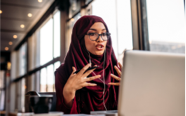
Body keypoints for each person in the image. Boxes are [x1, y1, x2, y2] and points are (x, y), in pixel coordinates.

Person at [55, 15, 122, 114]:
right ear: (79, 39)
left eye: (104, 33)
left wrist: (129, 89)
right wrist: (68, 92)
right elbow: (62, 113)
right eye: (92, 33)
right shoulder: (64, 72)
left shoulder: (116, 70)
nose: (100, 39)